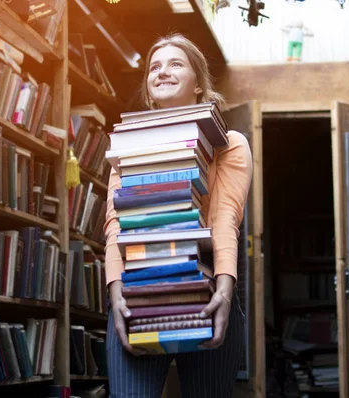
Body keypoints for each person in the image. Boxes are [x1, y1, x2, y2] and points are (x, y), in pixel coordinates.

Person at [103, 33, 253, 397]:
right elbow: (114, 225)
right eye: (154, 67)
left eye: (175, 64)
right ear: (149, 90)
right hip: (136, 294)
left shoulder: (229, 144)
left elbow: (225, 218)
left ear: (198, 85)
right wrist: (116, 292)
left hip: (209, 296)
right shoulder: (126, 145)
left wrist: (224, 292)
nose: (162, 72)